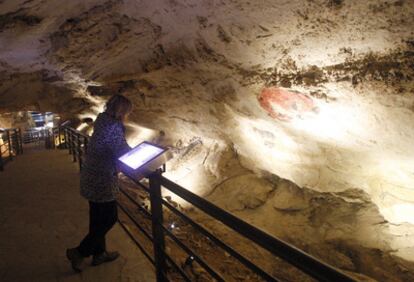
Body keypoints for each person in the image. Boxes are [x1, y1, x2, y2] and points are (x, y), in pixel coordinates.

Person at [66, 95, 132, 272]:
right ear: (122, 111)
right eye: (127, 112)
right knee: (110, 218)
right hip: (101, 178)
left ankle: (99, 254)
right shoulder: (113, 126)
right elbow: (122, 150)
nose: (128, 115)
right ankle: (79, 252)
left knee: (96, 219)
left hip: (91, 174)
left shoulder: (102, 119)